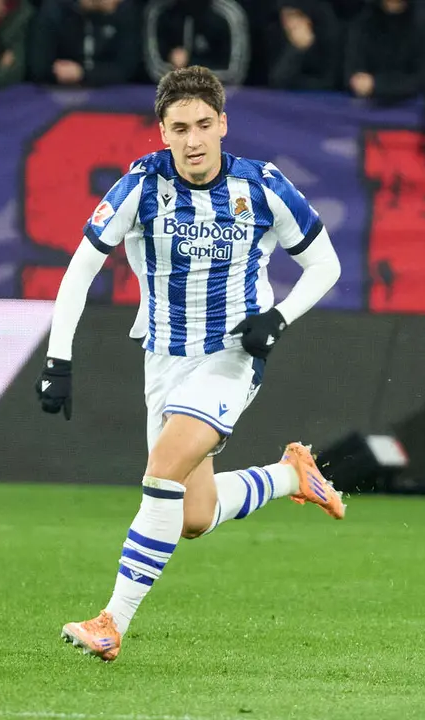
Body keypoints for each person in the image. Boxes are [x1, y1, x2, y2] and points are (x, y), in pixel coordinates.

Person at [35, 65, 344, 663]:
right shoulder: (139, 187)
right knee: (194, 516)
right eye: (180, 128)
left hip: (231, 357)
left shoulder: (263, 186)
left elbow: (325, 265)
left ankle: (111, 621)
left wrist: (278, 318)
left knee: (162, 469)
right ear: (162, 131)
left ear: (223, 124)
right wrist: (58, 359)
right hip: (162, 360)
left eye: (204, 125)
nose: (193, 140)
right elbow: (80, 270)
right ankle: (290, 476)